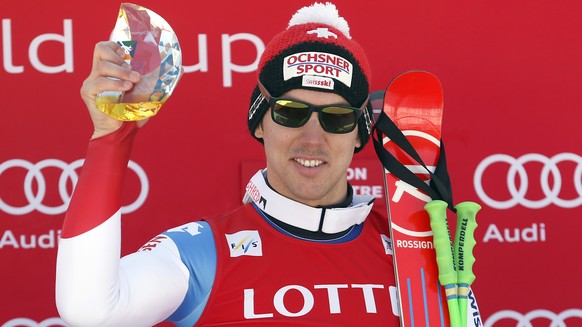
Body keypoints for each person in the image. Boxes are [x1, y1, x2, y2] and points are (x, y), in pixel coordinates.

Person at [56, 2, 477, 326]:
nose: (313, 138)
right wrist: (112, 136)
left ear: (360, 134)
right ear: (260, 123)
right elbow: (90, 311)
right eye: (291, 112)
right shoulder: (204, 253)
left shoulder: (414, 243)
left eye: (336, 118)